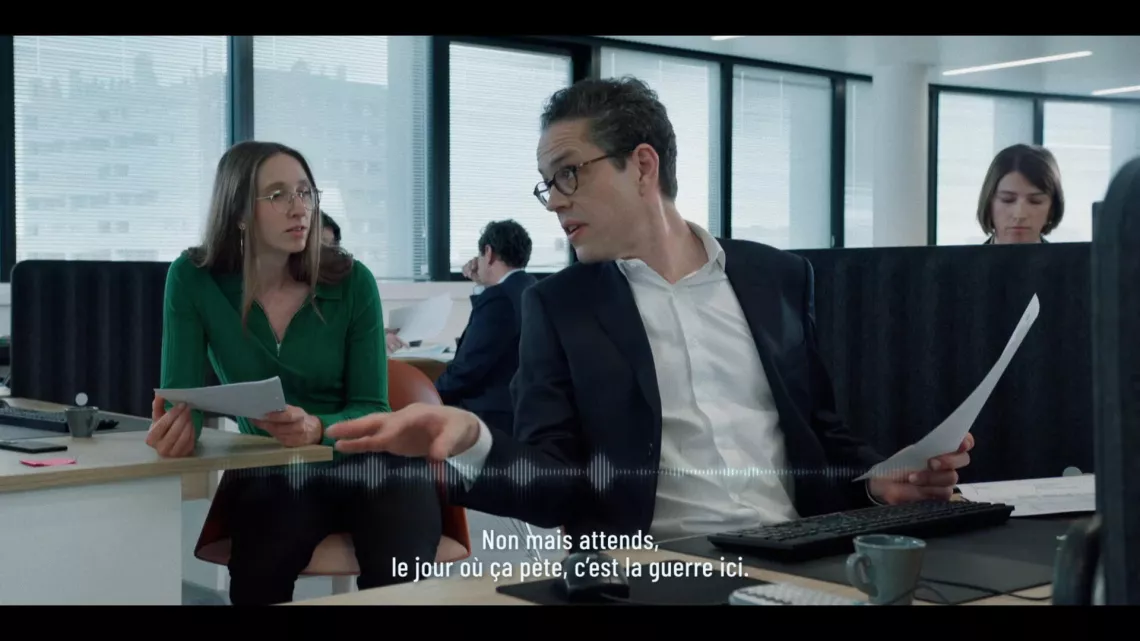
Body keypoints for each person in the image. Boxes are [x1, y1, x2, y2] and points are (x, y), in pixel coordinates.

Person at [324, 77, 975, 543]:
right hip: (657, 567)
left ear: (642, 166)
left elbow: (820, 437)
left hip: (798, 553)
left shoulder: (774, 276)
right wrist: (475, 441)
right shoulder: (560, 306)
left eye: (568, 173)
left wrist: (876, 483)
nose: (554, 200)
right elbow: (553, 485)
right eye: (547, 183)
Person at [144, 140, 441, 604]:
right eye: (278, 194)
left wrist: (317, 428)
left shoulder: (353, 282)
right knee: (261, 565)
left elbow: (373, 408)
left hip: (369, 459)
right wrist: (180, 429)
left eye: (305, 192)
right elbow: (184, 398)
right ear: (239, 212)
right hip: (275, 466)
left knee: (400, 573)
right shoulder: (193, 278)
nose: (299, 207)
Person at [435, 219, 536, 435]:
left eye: (480, 256)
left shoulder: (499, 299)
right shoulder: (530, 287)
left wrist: (430, 396)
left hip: (489, 416)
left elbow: (467, 368)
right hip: (521, 411)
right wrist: (483, 284)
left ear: (488, 253)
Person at [977, 144, 1065, 244]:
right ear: (988, 203)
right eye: (1007, 200)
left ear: (1052, 209)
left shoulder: (1071, 255)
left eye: (1035, 201)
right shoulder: (964, 255)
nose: (1019, 215)